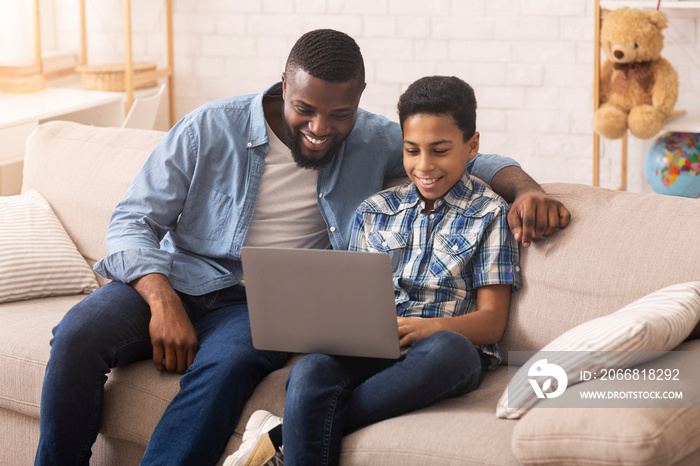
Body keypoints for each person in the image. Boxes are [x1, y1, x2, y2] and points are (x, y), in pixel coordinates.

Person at [35, 30, 567, 466]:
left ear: (358, 101)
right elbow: (132, 221)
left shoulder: (371, 138)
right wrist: (161, 300)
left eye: (339, 114)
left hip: (261, 305)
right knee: (79, 333)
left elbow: (464, 159)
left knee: (224, 371)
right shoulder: (208, 128)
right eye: (305, 108)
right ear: (283, 85)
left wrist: (525, 189)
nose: (320, 128)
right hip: (173, 278)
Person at [226, 75, 521, 466]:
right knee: (311, 370)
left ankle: (281, 435)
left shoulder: (490, 213)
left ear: (472, 146)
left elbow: (492, 323)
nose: (424, 165)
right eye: (412, 151)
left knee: (450, 353)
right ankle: (293, 437)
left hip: (443, 348)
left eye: (440, 150)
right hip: (373, 348)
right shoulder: (375, 211)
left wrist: (428, 329)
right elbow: (348, 301)